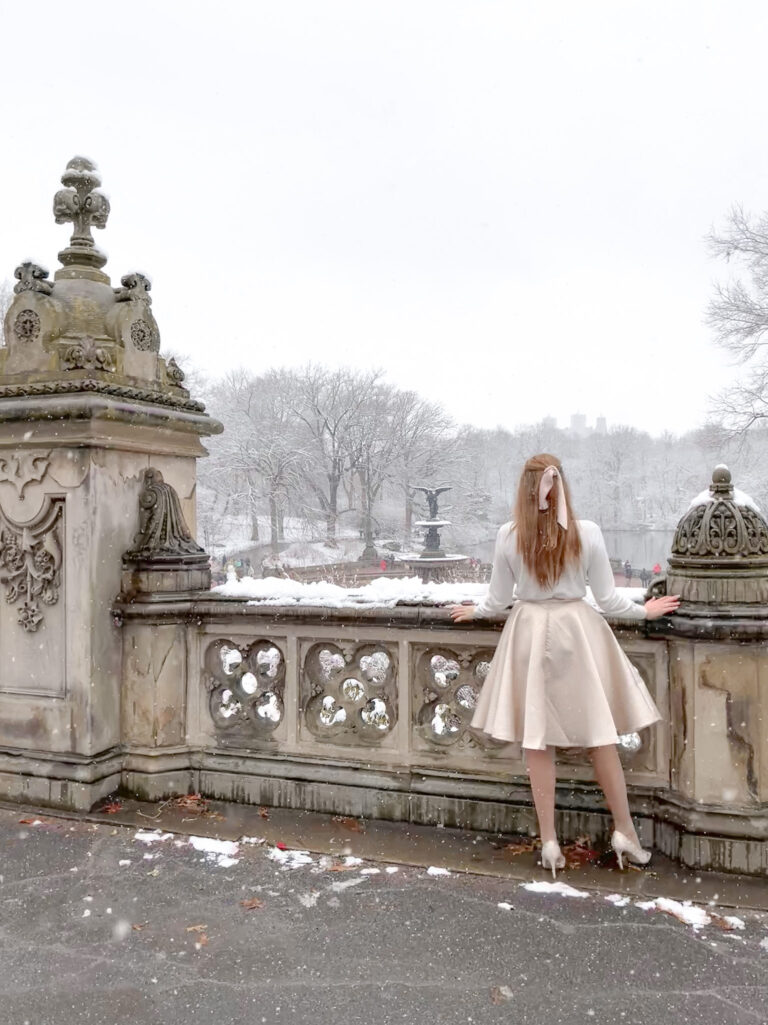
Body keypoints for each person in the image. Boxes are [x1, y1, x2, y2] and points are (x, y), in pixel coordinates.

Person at [449, 454, 679, 878]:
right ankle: (625, 831)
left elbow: (499, 599)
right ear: (562, 487)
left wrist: (475, 611)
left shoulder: (509, 535)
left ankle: (550, 841)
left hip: (529, 633)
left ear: (524, 488)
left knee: (537, 740)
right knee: (599, 734)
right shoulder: (586, 532)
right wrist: (645, 612)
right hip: (577, 631)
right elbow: (608, 601)